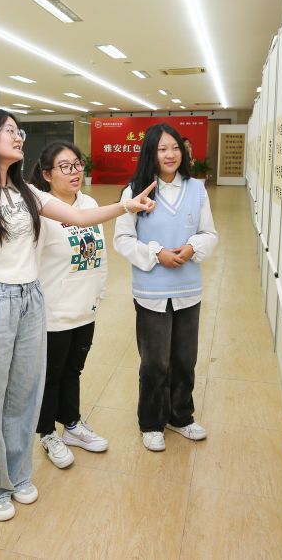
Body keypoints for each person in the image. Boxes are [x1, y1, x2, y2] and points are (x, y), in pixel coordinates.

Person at [0, 108, 155, 521]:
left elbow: (79, 216)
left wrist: (126, 206)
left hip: (31, 298)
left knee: (25, 394)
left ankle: (17, 474)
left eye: (19, 131)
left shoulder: (27, 192)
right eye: (9, 131)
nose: (19, 137)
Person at [113, 123, 218, 453]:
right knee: (155, 362)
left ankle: (181, 416)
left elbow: (209, 233)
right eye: (162, 149)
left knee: (185, 359)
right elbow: (122, 239)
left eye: (175, 147)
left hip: (188, 288)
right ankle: (151, 422)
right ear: (151, 153)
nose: (170, 154)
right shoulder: (135, 191)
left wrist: (192, 247)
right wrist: (156, 253)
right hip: (151, 291)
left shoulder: (196, 189)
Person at [28, 142, 110, 469]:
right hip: (53, 313)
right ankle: (47, 432)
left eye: (78, 164)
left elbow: (100, 255)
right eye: (65, 166)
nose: (75, 172)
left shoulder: (89, 203)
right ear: (47, 174)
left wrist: (98, 295)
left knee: (74, 369)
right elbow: (32, 265)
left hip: (85, 308)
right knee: (51, 375)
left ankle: (72, 424)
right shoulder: (41, 210)